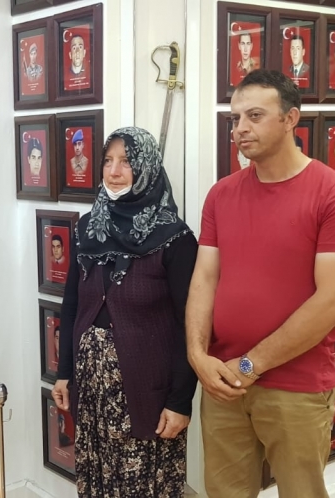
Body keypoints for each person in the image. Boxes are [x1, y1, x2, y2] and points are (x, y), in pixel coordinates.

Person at [186, 69, 335, 498]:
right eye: (235, 118)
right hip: (223, 382)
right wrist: (197, 355)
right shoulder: (221, 194)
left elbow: (332, 302)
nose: (240, 129)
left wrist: (251, 365)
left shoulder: (334, 194)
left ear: (290, 119)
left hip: (296, 386)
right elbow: (205, 278)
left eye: (254, 116)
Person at [50, 126, 198, 497]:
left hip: (147, 392)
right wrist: (64, 373)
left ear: (147, 168)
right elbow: (72, 305)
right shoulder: (88, 227)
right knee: (97, 480)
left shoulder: (174, 237)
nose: (114, 171)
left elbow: (191, 325)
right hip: (92, 387)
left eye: (127, 162)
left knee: (144, 485)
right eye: (108, 161)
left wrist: (180, 401)